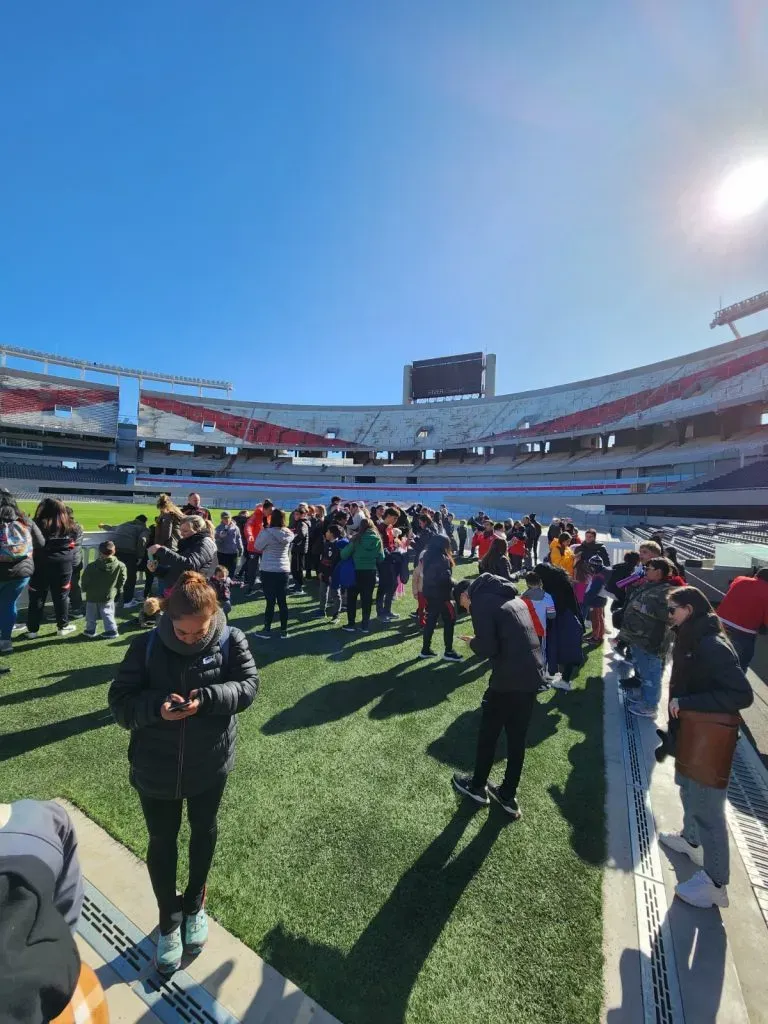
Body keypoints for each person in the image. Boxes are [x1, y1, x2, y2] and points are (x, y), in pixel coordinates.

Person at [108, 571, 258, 974]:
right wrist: (157, 708)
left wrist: (208, 698)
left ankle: (194, 904)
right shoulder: (147, 645)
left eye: (200, 632)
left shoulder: (231, 639)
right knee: (162, 839)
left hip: (209, 761)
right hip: (155, 765)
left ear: (214, 617)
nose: (191, 639)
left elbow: (248, 687)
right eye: (182, 631)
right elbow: (120, 702)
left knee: (204, 829)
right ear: (168, 619)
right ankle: (168, 919)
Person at [659, 586, 753, 909]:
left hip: (708, 740)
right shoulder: (693, 635)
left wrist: (688, 703)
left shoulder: (711, 644)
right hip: (693, 733)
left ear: (689, 609)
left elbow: (742, 695)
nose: (668, 615)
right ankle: (690, 840)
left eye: (672, 610)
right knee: (687, 789)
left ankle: (716, 883)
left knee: (709, 811)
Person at [451, 575, 545, 818]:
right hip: (532, 675)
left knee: (488, 734)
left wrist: (473, 642)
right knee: (516, 739)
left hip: (508, 680)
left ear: (465, 595)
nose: (465, 609)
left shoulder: (480, 601)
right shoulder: (511, 597)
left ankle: (477, 787)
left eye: (463, 605)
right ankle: (507, 795)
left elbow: (488, 648)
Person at [619, 557, 679, 718]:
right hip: (639, 639)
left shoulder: (666, 590)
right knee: (643, 671)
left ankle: (650, 706)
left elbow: (670, 617)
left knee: (651, 675)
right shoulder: (651, 585)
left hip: (652, 641)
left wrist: (643, 608)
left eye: (649, 569)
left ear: (659, 572)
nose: (645, 571)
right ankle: (645, 697)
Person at [22, 499, 77, 639]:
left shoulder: (36, 523)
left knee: (37, 596)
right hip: (63, 563)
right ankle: (62, 626)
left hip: (40, 562)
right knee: (62, 595)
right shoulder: (70, 524)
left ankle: (32, 630)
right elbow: (74, 540)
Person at [0, 489, 43, 660]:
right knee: (9, 604)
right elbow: (41, 542)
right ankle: (5, 642)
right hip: (21, 571)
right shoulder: (26, 521)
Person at [535, 562, 585, 690]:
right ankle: (563, 678)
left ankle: (565, 681)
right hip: (571, 618)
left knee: (564, 651)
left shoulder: (552, 590)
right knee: (567, 650)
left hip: (563, 621)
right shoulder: (562, 580)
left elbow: (550, 609)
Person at [714, 568, 768, 670]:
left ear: (756, 575)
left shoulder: (740, 579)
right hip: (743, 634)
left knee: (717, 661)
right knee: (740, 666)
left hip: (718, 624)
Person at [148, 515, 218, 593]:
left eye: (185, 531)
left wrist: (161, 550)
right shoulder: (189, 542)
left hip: (196, 593)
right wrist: (157, 569)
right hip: (184, 590)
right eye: (181, 531)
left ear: (198, 530)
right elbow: (178, 569)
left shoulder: (205, 543)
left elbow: (190, 565)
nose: (181, 534)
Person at [253, 508, 293, 639]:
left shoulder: (267, 533)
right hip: (283, 569)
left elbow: (257, 546)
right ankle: (284, 629)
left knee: (270, 601)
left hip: (269, 569)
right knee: (282, 601)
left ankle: (267, 628)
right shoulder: (288, 533)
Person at [420, 536, 461, 661]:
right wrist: (457, 584)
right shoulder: (442, 558)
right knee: (450, 620)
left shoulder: (426, 555)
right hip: (442, 595)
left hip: (429, 593)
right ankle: (448, 651)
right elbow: (445, 579)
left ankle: (425, 649)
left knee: (431, 621)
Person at [340, 517, 383, 634]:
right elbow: (381, 558)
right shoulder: (378, 539)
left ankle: (351, 623)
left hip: (356, 572)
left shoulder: (356, 539)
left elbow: (344, 555)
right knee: (367, 600)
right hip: (371, 572)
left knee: (352, 599)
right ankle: (365, 625)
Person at [98, 512, 150, 608]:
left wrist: (103, 526)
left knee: (115, 576)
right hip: (129, 554)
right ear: (144, 522)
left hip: (116, 552)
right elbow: (142, 540)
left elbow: (112, 527)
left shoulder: (124, 525)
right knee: (130, 578)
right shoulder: (143, 528)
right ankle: (128, 602)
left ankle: (114, 601)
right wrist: (140, 556)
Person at [80, 539, 127, 639]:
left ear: (100, 552)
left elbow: (85, 580)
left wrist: (84, 589)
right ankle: (111, 630)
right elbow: (122, 580)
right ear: (114, 551)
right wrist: (117, 589)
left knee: (90, 614)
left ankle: (90, 630)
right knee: (107, 612)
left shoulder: (91, 566)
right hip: (109, 594)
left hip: (92, 594)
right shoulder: (120, 565)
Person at [520, 571, 556, 684]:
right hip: (541, 631)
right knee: (541, 654)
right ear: (540, 582)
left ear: (527, 583)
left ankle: (527, 676)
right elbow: (552, 615)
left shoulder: (522, 598)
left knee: (527, 653)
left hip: (526, 631)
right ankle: (541, 678)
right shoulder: (547, 597)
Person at [375, 507, 402, 621]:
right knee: (383, 586)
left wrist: (396, 545)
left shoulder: (390, 527)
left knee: (393, 584)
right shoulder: (380, 528)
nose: (395, 521)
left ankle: (387, 610)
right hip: (383, 561)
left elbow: (390, 543)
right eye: (394, 518)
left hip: (392, 559)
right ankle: (380, 613)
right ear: (389, 516)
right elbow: (380, 546)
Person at [244, 499, 273, 594]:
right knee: (252, 568)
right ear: (264, 509)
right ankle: (250, 587)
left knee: (266, 567)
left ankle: (263, 585)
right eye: (269, 510)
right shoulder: (256, 515)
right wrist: (250, 536)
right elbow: (248, 526)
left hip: (265, 547)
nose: (271, 512)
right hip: (254, 547)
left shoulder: (270, 516)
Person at [317, 523, 345, 620]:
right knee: (322, 592)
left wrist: (333, 575)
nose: (326, 533)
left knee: (335, 594)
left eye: (328, 532)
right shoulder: (326, 544)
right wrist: (320, 571)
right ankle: (321, 610)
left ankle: (336, 614)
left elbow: (337, 563)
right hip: (324, 573)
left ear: (332, 534)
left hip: (333, 575)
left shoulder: (339, 546)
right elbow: (323, 558)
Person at [582, 556, 609, 644]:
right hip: (601, 598)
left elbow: (594, 590)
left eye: (590, 565)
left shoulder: (599, 576)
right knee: (600, 617)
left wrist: (586, 599)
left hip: (596, 599)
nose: (589, 567)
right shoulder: (602, 573)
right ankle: (599, 635)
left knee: (595, 618)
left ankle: (596, 637)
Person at [66, 507, 85, 618]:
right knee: (73, 585)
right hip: (75, 559)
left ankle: (77, 609)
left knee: (72, 586)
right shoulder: (76, 526)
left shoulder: (73, 527)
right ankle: (75, 608)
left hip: (71, 560)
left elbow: (70, 544)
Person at [214, 512, 243, 577]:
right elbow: (215, 541)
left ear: (230, 518)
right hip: (222, 553)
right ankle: (222, 583)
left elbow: (238, 538)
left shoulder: (235, 528)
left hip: (233, 552)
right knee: (222, 570)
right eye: (224, 518)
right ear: (221, 519)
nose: (226, 520)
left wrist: (240, 548)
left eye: (228, 518)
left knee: (232, 569)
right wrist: (220, 538)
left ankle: (229, 582)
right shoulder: (218, 528)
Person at [290, 505, 310, 595]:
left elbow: (301, 535)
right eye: (295, 514)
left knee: (298, 568)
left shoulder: (302, 523)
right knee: (294, 568)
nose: (295, 516)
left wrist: (293, 540)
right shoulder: (298, 523)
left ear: (302, 515)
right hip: (296, 549)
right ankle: (296, 585)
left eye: (297, 514)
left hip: (299, 550)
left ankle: (299, 587)